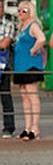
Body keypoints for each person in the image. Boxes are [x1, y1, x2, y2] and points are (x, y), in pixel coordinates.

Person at [11, 1, 46, 140]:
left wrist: (34, 50)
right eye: (19, 10)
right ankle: (27, 127)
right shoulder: (21, 27)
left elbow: (42, 38)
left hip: (30, 65)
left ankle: (35, 128)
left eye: (24, 10)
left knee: (32, 96)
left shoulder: (33, 25)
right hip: (20, 66)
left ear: (30, 11)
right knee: (24, 97)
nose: (20, 13)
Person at [0, 9, 15, 138]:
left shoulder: (8, 24)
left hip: (3, 65)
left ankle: (8, 128)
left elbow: (4, 44)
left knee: (5, 97)